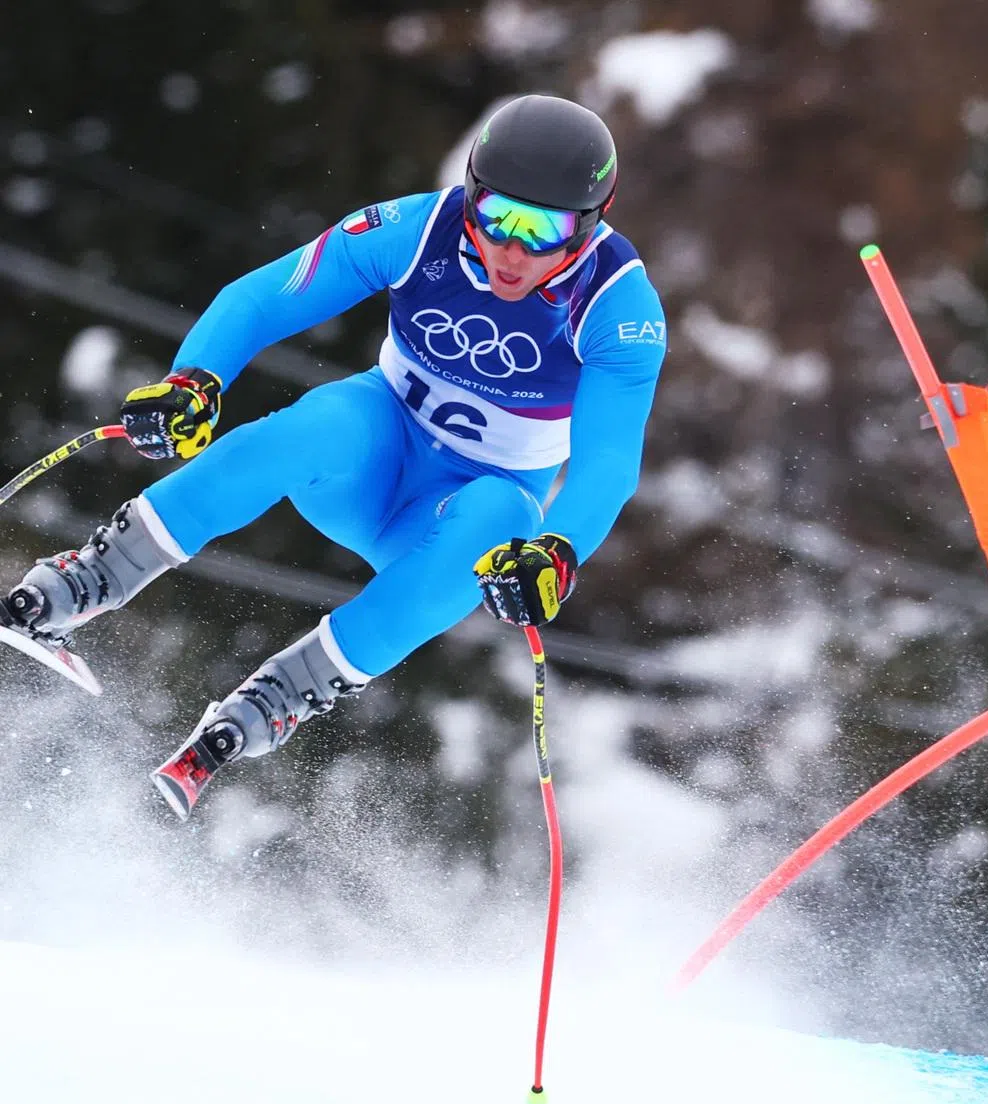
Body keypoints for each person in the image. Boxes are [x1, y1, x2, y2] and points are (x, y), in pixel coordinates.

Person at [1, 94, 667, 820]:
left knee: (504, 516)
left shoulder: (618, 310)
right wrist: (194, 380)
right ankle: (90, 578)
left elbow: (608, 462)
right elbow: (264, 297)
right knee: (328, 421)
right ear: (472, 194)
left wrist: (557, 551)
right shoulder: (419, 229)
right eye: (501, 216)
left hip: (454, 516)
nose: (513, 250)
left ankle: (277, 700)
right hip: (369, 460)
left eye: (544, 230)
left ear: (591, 224)